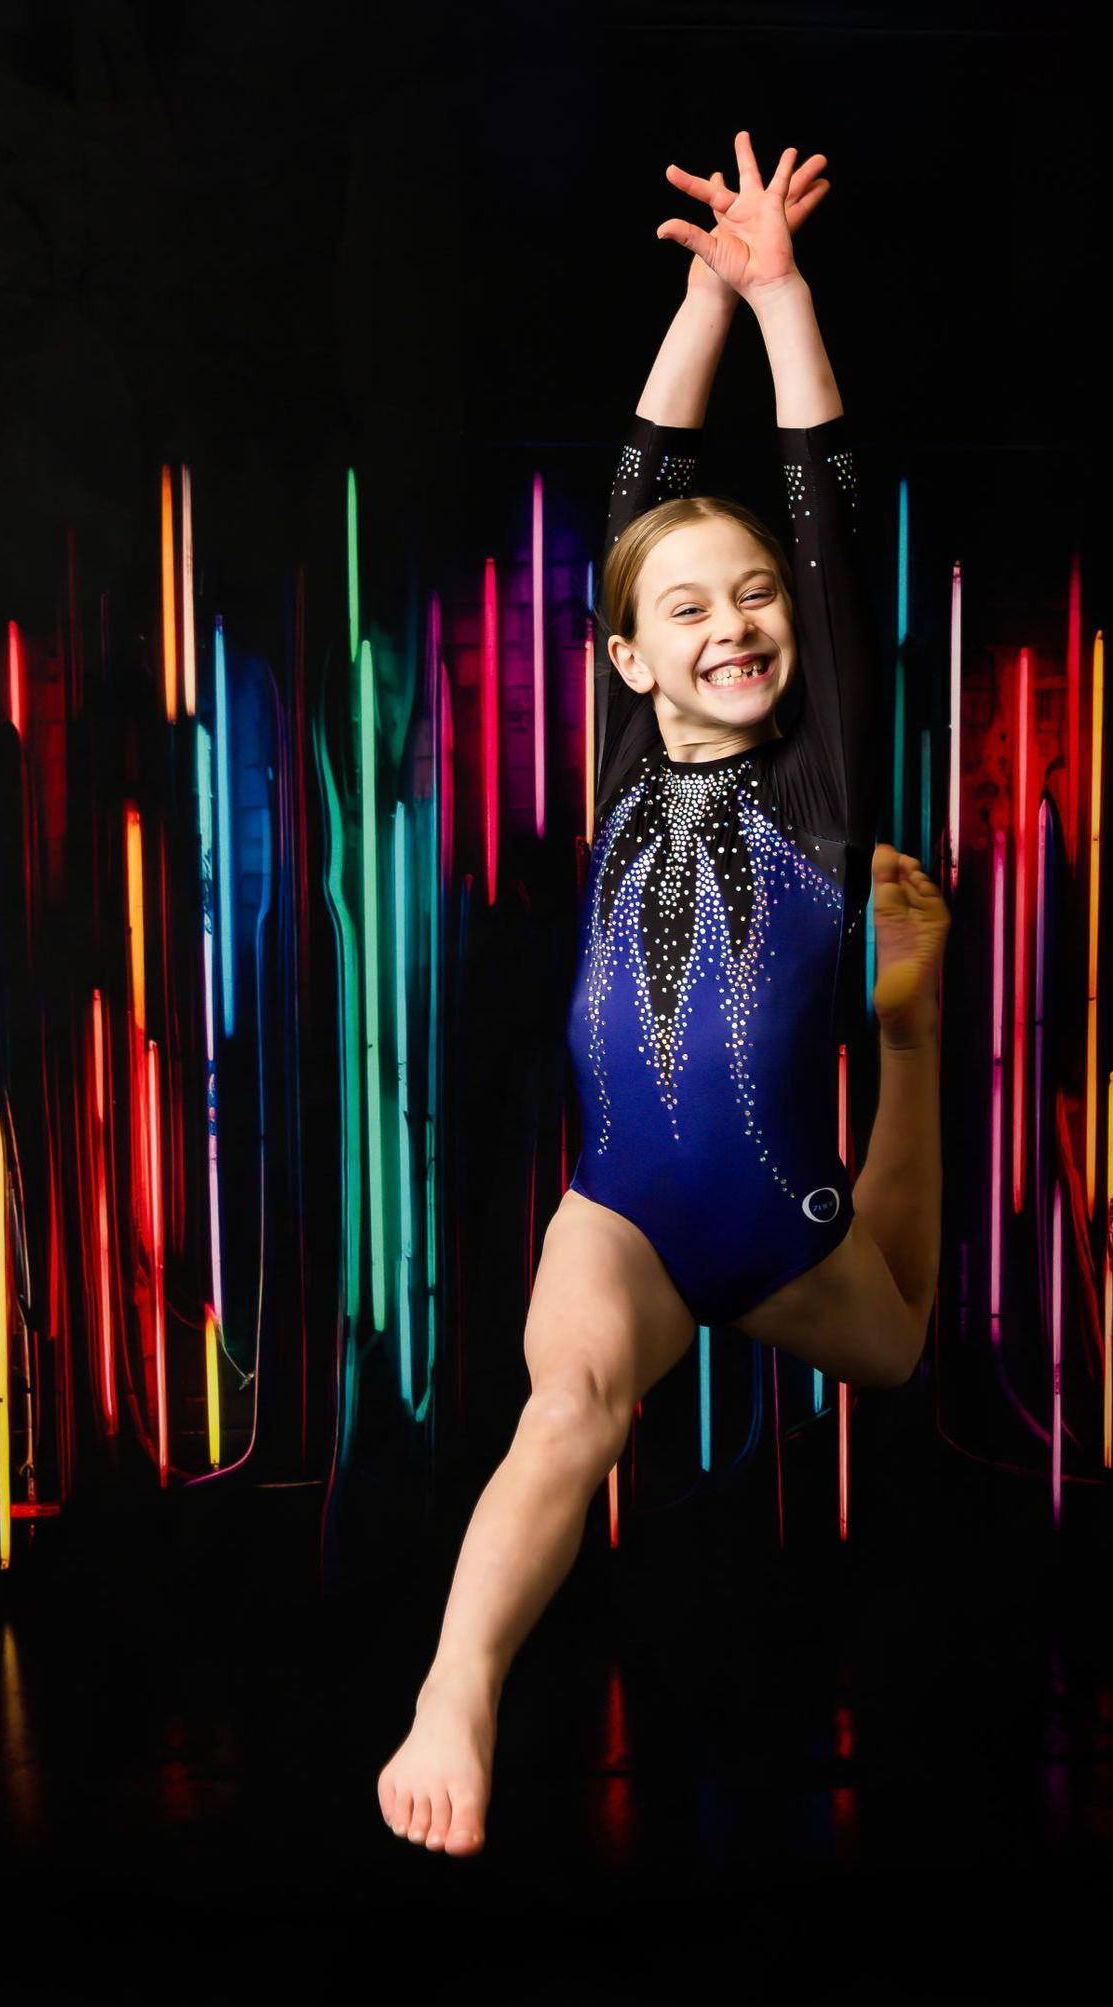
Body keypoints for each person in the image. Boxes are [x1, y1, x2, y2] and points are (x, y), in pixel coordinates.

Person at [378, 132, 950, 1855]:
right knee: (570, 1407)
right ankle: (455, 1689)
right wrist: (702, 294)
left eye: (758, 595)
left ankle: (916, 1032)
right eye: (689, 607)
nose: (735, 622)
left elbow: (825, 499)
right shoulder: (628, 758)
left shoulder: (824, 779)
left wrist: (781, 300)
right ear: (624, 658)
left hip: (775, 1221)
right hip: (623, 1212)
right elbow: (639, 477)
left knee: (906, 1344)